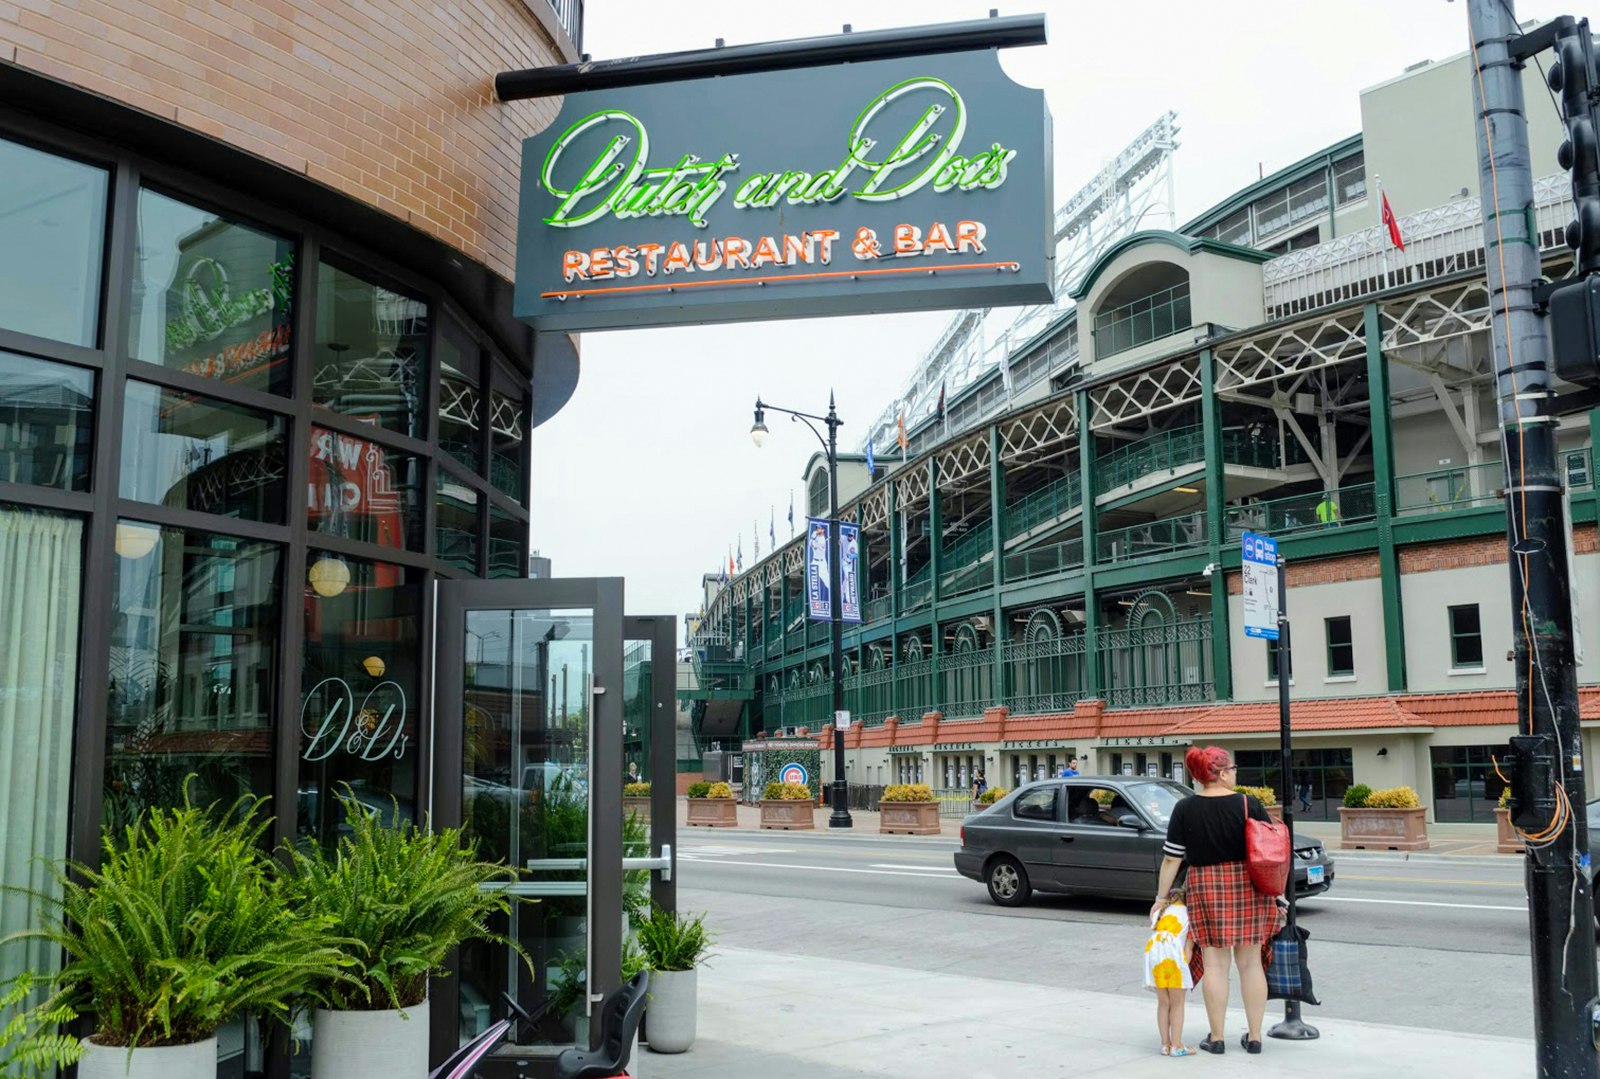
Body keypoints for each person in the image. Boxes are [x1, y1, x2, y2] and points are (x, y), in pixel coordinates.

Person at [1152, 745, 1281, 1056]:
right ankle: (1254, 1037)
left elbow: (1172, 860)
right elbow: (1269, 850)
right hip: (1249, 886)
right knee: (1250, 964)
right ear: (1222, 773)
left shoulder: (1185, 809)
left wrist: (1160, 898)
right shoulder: (1249, 804)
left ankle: (1218, 1037)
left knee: (1214, 965)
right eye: (1233, 768)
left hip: (1206, 886)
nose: (1235, 773)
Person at [1144, 885, 1196, 1057]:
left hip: (1154, 956)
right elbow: (1188, 951)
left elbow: (1152, 924)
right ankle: (1177, 1045)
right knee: (1177, 1003)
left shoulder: (1161, 912)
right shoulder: (1190, 916)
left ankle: (1165, 1044)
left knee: (1163, 1003)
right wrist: (1184, 970)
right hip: (1173, 960)